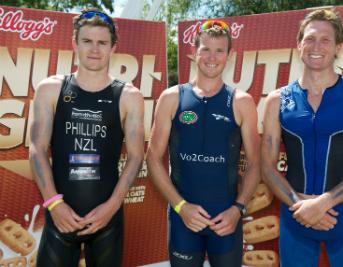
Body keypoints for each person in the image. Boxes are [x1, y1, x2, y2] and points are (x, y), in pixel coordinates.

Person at [261, 9, 343, 267]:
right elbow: (267, 167)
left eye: (325, 40)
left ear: (338, 47)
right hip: (296, 215)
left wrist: (323, 203)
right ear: (299, 44)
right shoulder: (277, 100)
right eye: (310, 38)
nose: (317, 46)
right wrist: (300, 205)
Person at [29, 8, 144, 267]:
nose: (95, 49)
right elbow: (37, 148)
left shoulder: (129, 96)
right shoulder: (50, 89)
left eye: (102, 42)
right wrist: (54, 203)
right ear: (74, 43)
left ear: (113, 47)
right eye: (87, 41)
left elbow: (136, 156)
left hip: (107, 220)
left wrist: (112, 206)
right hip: (59, 217)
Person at [147, 19, 260, 267]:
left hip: (226, 219)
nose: (212, 57)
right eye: (205, 49)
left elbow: (255, 163)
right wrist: (180, 206)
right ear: (193, 53)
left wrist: (238, 209)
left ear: (230, 55)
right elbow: (153, 157)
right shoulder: (172, 98)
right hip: (183, 218)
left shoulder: (242, 102)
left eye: (220, 50)